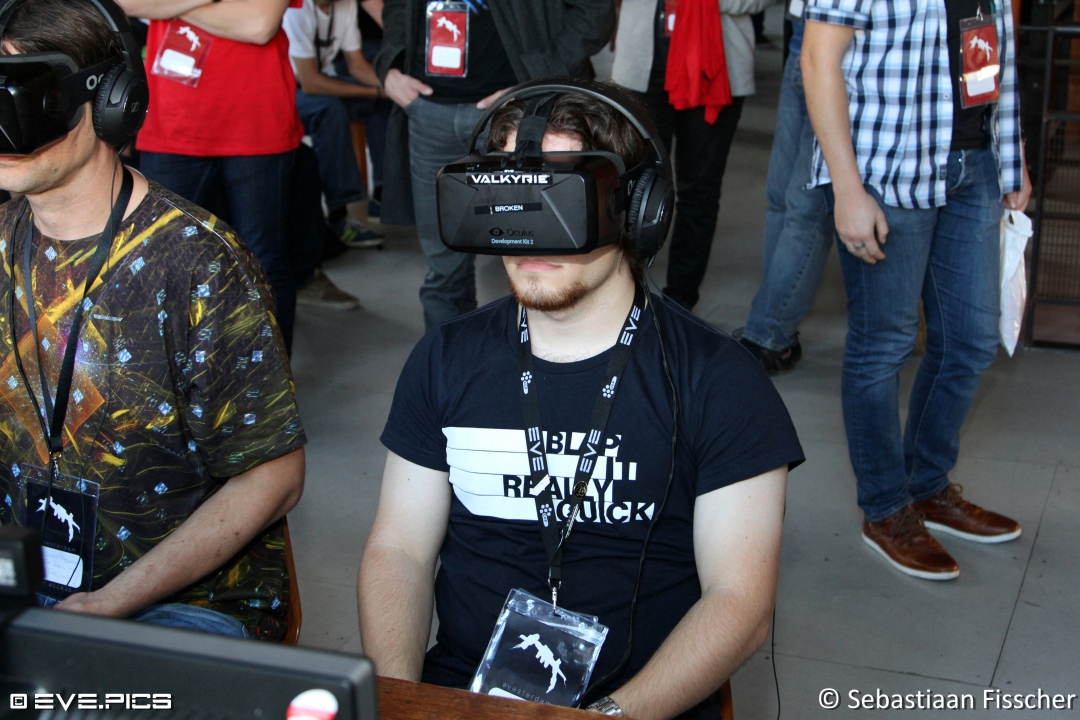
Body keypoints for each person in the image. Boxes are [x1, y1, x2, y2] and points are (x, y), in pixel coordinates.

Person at [358, 90, 804, 719]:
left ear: (639, 211)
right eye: (510, 199)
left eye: (560, 201)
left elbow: (739, 602)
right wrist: (401, 703)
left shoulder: (720, 381)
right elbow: (398, 549)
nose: (529, 235)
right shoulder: (445, 358)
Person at [0, 0, 306, 640]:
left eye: (28, 98)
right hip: (21, 579)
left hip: (179, 600)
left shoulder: (199, 263)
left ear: (110, 101)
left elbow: (273, 475)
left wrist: (108, 605)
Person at [802, 0, 1031, 579]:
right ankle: (886, 508)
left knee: (970, 341)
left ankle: (927, 487)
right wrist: (846, 188)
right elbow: (818, 60)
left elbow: (994, 48)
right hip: (886, 168)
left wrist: (1013, 156)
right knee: (884, 346)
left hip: (975, 165)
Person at [375, 0, 616, 330]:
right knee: (444, 275)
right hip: (428, 111)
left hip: (525, 111)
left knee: (549, 262)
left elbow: (594, 13)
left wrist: (538, 77)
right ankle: (452, 363)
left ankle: (547, 362)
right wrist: (389, 67)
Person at [117, 0, 303, 351]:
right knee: (163, 263)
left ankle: (268, 381)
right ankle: (181, 378)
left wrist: (168, 6)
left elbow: (258, 24)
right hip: (173, 127)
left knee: (262, 260)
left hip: (256, 123)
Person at [611, 0, 779, 312]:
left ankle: (681, 301)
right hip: (642, 66)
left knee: (700, 191)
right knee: (635, 188)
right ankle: (625, 296)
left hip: (716, 67)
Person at [738, 5, 834, 374]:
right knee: (779, 198)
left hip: (842, 52)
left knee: (806, 208)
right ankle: (775, 328)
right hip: (800, 41)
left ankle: (769, 334)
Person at [283, 0, 388, 249]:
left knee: (385, 101)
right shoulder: (297, 9)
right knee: (329, 110)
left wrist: (390, 86)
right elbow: (310, 82)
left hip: (314, 86)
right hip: (284, 92)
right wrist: (374, 91)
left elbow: (357, 65)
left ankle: (384, 195)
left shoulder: (345, 5)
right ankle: (339, 215)